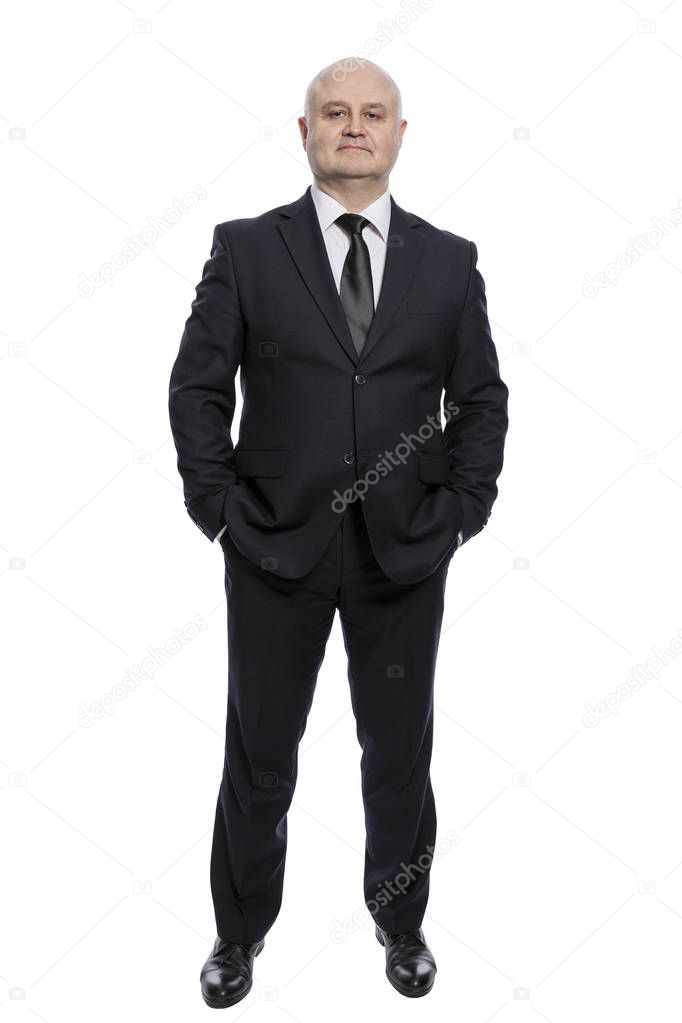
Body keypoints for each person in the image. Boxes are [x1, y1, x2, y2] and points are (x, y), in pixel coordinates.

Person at [168, 56, 509, 1007]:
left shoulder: (450, 261)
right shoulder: (245, 248)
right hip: (275, 546)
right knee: (259, 754)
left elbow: (480, 399)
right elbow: (197, 388)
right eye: (335, 112)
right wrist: (219, 511)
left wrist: (461, 512)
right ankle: (239, 935)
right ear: (305, 130)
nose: (353, 126)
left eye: (373, 114)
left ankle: (401, 925)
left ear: (401, 135)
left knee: (399, 753)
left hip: (406, 549)